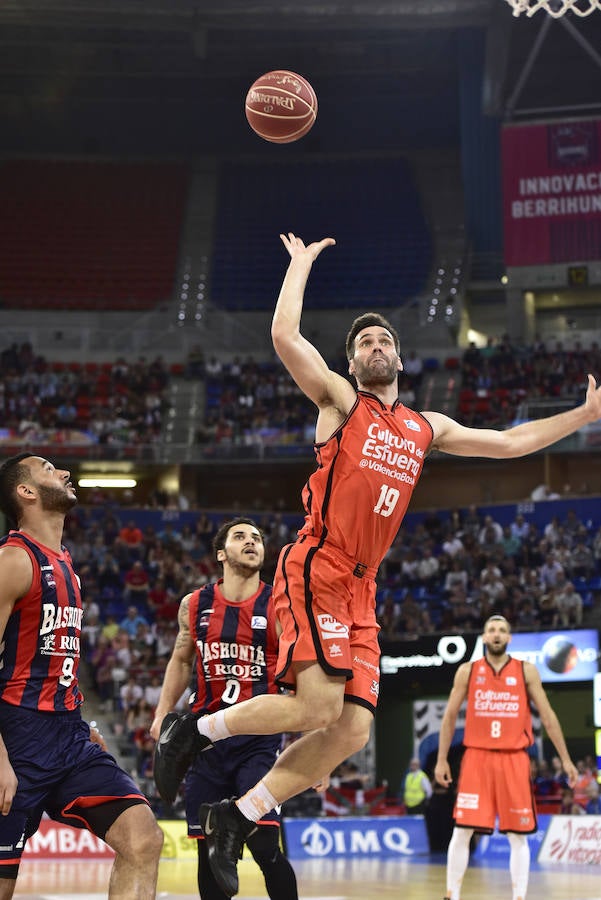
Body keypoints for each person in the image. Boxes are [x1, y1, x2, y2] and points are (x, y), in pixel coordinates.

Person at [159, 232, 601, 898]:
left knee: (354, 726)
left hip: (362, 590)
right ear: (352, 361)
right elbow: (285, 338)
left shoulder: (425, 427)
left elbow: (511, 442)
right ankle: (194, 729)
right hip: (317, 565)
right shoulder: (340, 405)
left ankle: (237, 814)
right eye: (363, 341)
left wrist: (584, 416)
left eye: (382, 340)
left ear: (398, 356)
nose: (374, 346)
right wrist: (299, 267)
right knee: (316, 705)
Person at [0, 453, 163, 898]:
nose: (65, 472)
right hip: (17, 737)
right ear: (26, 492)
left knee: (143, 838)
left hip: (69, 738)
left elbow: (56, 657)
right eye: (49, 470)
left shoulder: (66, 562)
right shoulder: (12, 561)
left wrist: (82, 720)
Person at [150, 518, 298, 900]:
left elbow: (301, 678)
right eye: (240, 536)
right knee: (208, 849)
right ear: (221, 553)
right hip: (205, 743)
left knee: (265, 844)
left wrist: (313, 748)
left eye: (257, 538)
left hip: (259, 741)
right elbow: (182, 661)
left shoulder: (280, 604)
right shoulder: (194, 604)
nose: (251, 542)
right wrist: (162, 714)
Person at [434, 615, 578, 900]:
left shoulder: (526, 670)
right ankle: (452, 895)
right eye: (491, 630)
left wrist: (566, 759)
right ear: (485, 637)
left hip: (514, 758)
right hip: (477, 757)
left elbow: (548, 716)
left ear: (509, 638)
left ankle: (519, 897)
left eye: (502, 630)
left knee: (517, 835)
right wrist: (441, 759)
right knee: (462, 830)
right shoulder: (468, 670)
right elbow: (449, 716)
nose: (497, 634)